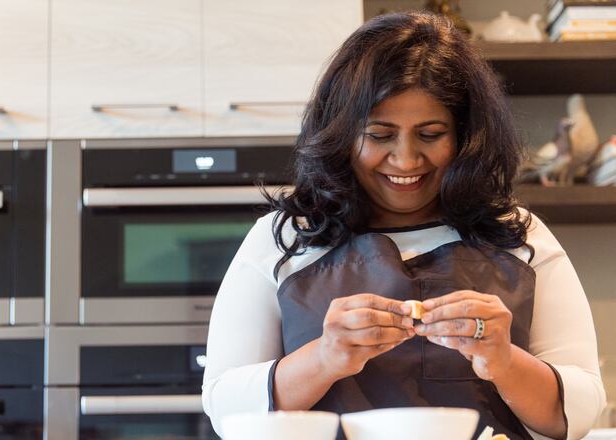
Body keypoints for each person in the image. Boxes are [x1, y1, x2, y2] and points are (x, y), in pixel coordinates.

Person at [201, 11, 606, 440]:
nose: (406, 160)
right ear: (340, 133)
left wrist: (504, 361)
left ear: (466, 136)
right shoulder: (282, 239)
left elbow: (578, 412)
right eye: (380, 135)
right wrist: (324, 358)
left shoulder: (519, 235)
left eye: (430, 134)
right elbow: (226, 409)